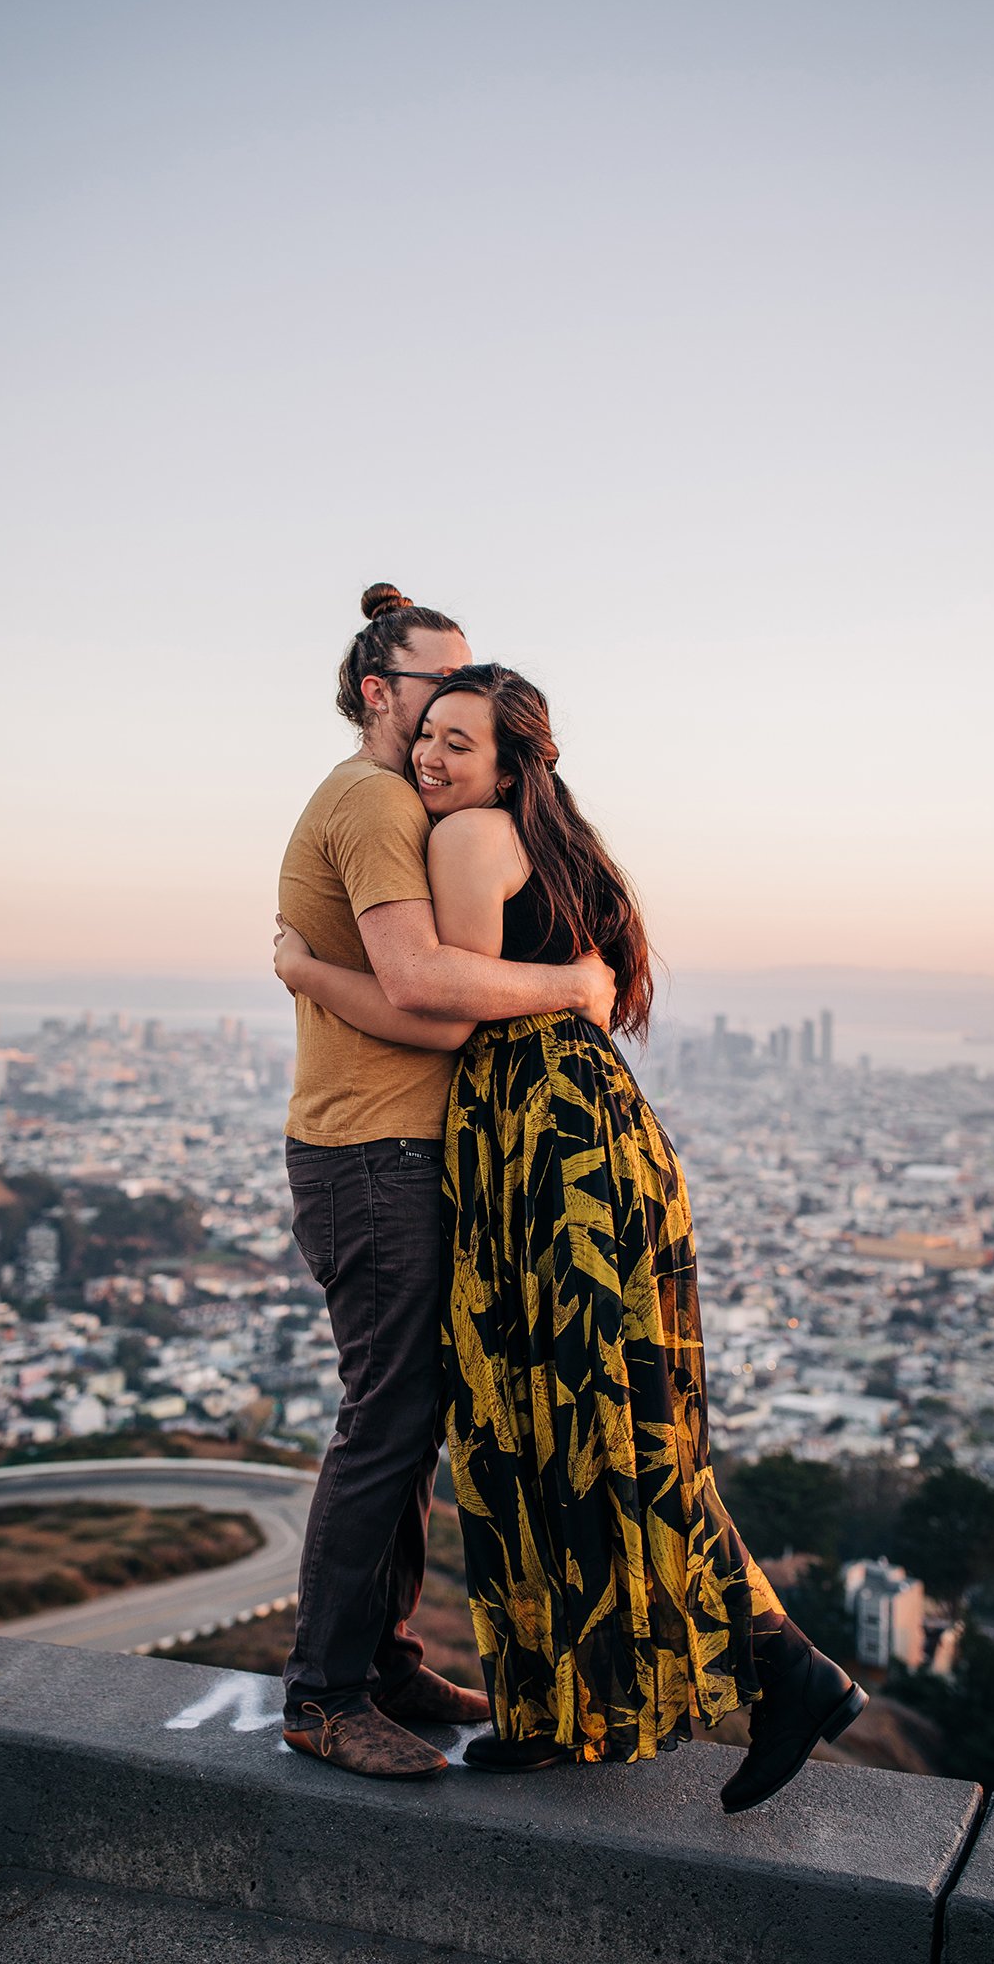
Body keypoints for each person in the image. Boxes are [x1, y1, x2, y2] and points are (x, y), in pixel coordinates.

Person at [274, 662, 867, 1813]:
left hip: (539, 1151)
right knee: (559, 1422)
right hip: (593, 1138)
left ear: (512, 761)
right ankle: (566, 1713)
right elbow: (557, 986)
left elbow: (438, 1001)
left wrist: (308, 970)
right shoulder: (561, 842)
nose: (434, 760)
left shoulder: (462, 837)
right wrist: (565, 986)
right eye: (429, 735)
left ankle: (784, 1665)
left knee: (594, 1425)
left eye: (461, 742)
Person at [276, 591, 618, 1783]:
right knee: (387, 1423)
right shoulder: (375, 803)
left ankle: (384, 1663)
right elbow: (427, 992)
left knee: (413, 1419)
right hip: (373, 1153)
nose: (444, 717)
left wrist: (310, 968)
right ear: (382, 692)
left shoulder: (386, 801)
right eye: (435, 688)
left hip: (391, 1151)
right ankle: (323, 1694)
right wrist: (572, 985)